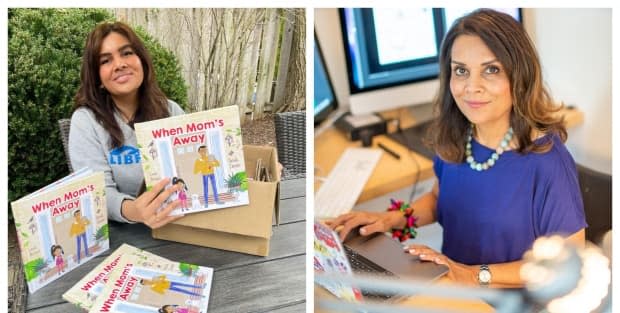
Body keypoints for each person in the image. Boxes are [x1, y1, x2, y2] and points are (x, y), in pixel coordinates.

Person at [328, 9, 586, 288]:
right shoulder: (458, 134)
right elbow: (441, 200)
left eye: (491, 70)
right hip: (452, 288)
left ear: (519, 75)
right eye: (461, 70)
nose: (471, 87)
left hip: (507, 303)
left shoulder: (547, 161)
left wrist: (470, 274)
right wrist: (390, 219)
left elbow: (564, 269)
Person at [68, 21, 184, 228]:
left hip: (178, 223)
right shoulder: (86, 121)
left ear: (142, 60)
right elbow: (98, 192)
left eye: (127, 53)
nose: (119, 64)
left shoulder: (170, 110)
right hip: (123, 233)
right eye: (105, 61)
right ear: (97, 77)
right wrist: (135, 211)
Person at [140, 275, 204, 297]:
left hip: (171, 282)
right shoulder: (153, 287)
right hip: (169, 287)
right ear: (145, 285)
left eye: (145, 280)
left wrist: (160, 279)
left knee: (185, 285)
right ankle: (199, 295)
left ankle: (201, 287)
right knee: (184, 291)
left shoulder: (154, 278)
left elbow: (164, 276)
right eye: (145, 282)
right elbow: (162, 293)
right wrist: (159, 286)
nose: (146, 281)